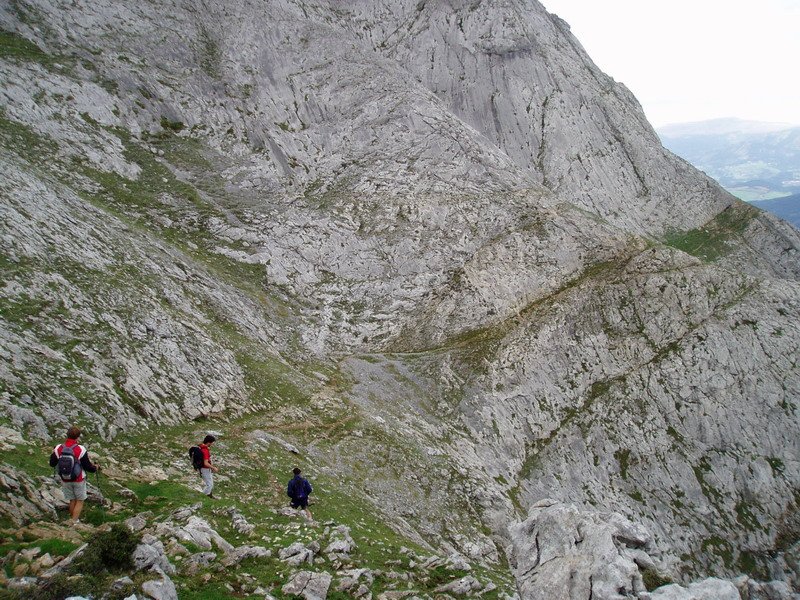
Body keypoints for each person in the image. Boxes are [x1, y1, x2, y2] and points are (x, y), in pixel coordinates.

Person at [49, 426, 100, 522]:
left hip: (65, 478)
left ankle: (72, 520)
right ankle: (74, 522)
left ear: (67, 435)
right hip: (78, 479)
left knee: (72, 500)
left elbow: (52, 464)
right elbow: (87, 466)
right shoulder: (81, 449)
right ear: (78, 437)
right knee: (80, 501)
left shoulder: (58, 448)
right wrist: (95, 468)